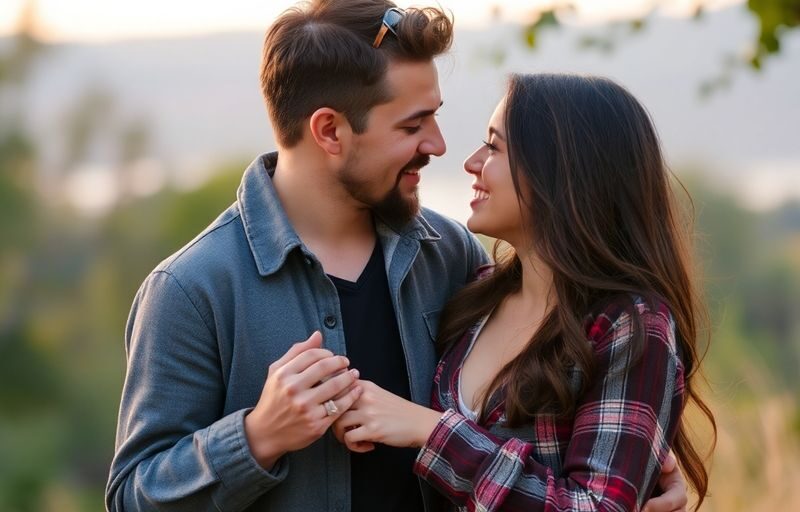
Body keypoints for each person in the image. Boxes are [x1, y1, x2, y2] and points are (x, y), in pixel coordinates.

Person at [105, 0, 689, 510]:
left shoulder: (450, 258)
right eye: (414, 124)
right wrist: (257, 436)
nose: (438, 144)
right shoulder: (192, 289)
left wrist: (642, 473)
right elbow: (134, 495)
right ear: (330, 132)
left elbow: (565, 405)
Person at [332, 73, 715, 511]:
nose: (471, 162)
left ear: (562, 169)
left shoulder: (630, 326)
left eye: (494, 147)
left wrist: (432, 432)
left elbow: (597, 506)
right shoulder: (475, 294)